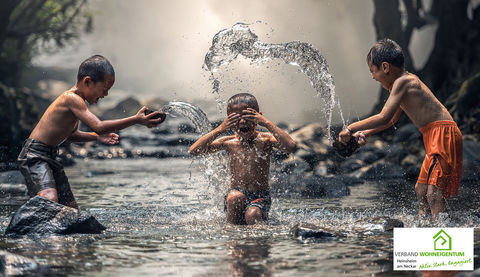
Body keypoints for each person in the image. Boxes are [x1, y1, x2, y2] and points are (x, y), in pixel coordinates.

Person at [17, 55, 166, 209]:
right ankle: (24, 224)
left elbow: (71, 135)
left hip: (50, 155)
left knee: (71, 208)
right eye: (104, 89)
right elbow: (99, 126)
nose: (105, 95)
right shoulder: (71, 98)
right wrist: (135, 119)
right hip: (34, 155)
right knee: (49, 198)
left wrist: (96, 138)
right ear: (88, 81)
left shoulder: (77, 103)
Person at [338, 39, 462, 221]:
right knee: (421, 190)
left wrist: (350, 128)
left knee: (433, 193)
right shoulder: (402, 84)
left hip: (443, 135)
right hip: (435, 136)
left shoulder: (403, 82)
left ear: (385, 67)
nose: (372, 76)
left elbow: (384, 116)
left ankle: (443, 239)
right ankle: (424, 227)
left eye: (373, 71)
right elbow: (391, 121)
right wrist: (365, 133)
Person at [189, 93, 296, 225]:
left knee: (252, 215)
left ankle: (258, 242)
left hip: (260, 196)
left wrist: (266, 123)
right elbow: (194, 151)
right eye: (236, 118)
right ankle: (231, 236)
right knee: (235, 197)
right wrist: (220, 129)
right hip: (234, 196)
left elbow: (290, 146)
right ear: (228, 120)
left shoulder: (265, 140)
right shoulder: (228, 142)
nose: (242, 122)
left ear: (258, 117)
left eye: (247, 116)